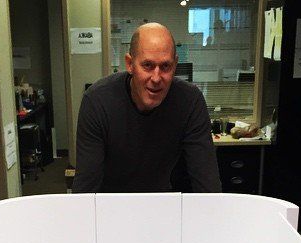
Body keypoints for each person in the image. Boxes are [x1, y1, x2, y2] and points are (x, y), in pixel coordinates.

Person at [72, 22, 221, 194]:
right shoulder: (97, 101)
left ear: (175, 65)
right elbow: (86, 186)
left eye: (165, 66)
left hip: (163, 199)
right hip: (111, 200)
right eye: (148, 65)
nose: (156, 78)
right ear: (130, 64)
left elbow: (207, 181)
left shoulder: (190, 101)